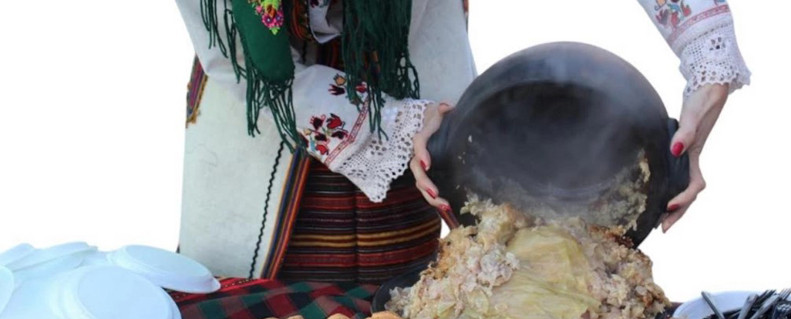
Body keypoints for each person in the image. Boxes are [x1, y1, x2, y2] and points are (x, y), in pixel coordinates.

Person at [175, 0, 749, 283]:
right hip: (261, 115)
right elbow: (249, 65)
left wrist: (707, 52)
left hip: (423, 92)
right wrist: (393, 125)